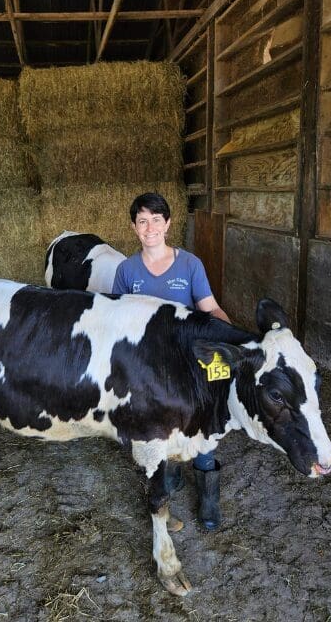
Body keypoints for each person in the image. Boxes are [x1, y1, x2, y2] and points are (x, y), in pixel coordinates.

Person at [111, 192, 230, 531]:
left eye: (157, 220)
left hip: (190, 364)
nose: (150, 228)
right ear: (134, 227)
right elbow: (117, 320)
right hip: (148, 369)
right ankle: (173, 470)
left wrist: (234, 337)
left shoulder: (190, 264)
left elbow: (209, 307)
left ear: (168, 223)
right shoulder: (126, 270)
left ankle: (208, 493)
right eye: (143, 221)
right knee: (161, 429)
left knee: (203, 428)